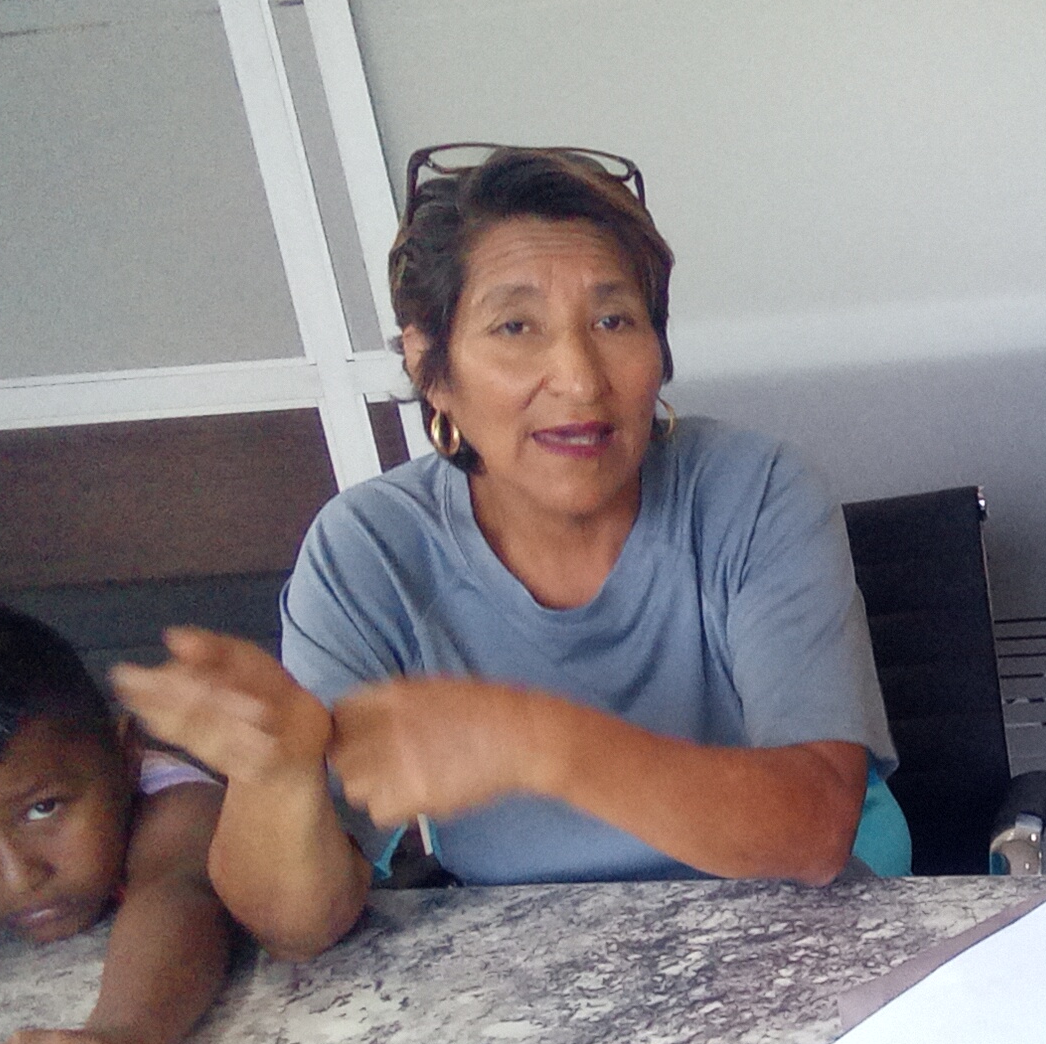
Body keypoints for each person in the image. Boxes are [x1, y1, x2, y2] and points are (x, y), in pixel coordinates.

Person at [118, 146, 909, 960]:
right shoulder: (368, 550)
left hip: (800, 934)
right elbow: (298, 926)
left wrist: (531, 740)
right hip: (536, 966)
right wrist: (273, 778)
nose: (579, 379)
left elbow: (816, 829)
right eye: (515, 326)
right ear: (432, 367)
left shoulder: (757, 490)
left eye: (613, 321)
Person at [0, 600, 233, 1044]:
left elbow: (180, 889)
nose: (18, 877)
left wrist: (121, 1039)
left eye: (43, 808)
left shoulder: (173, 802)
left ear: (126, 756)